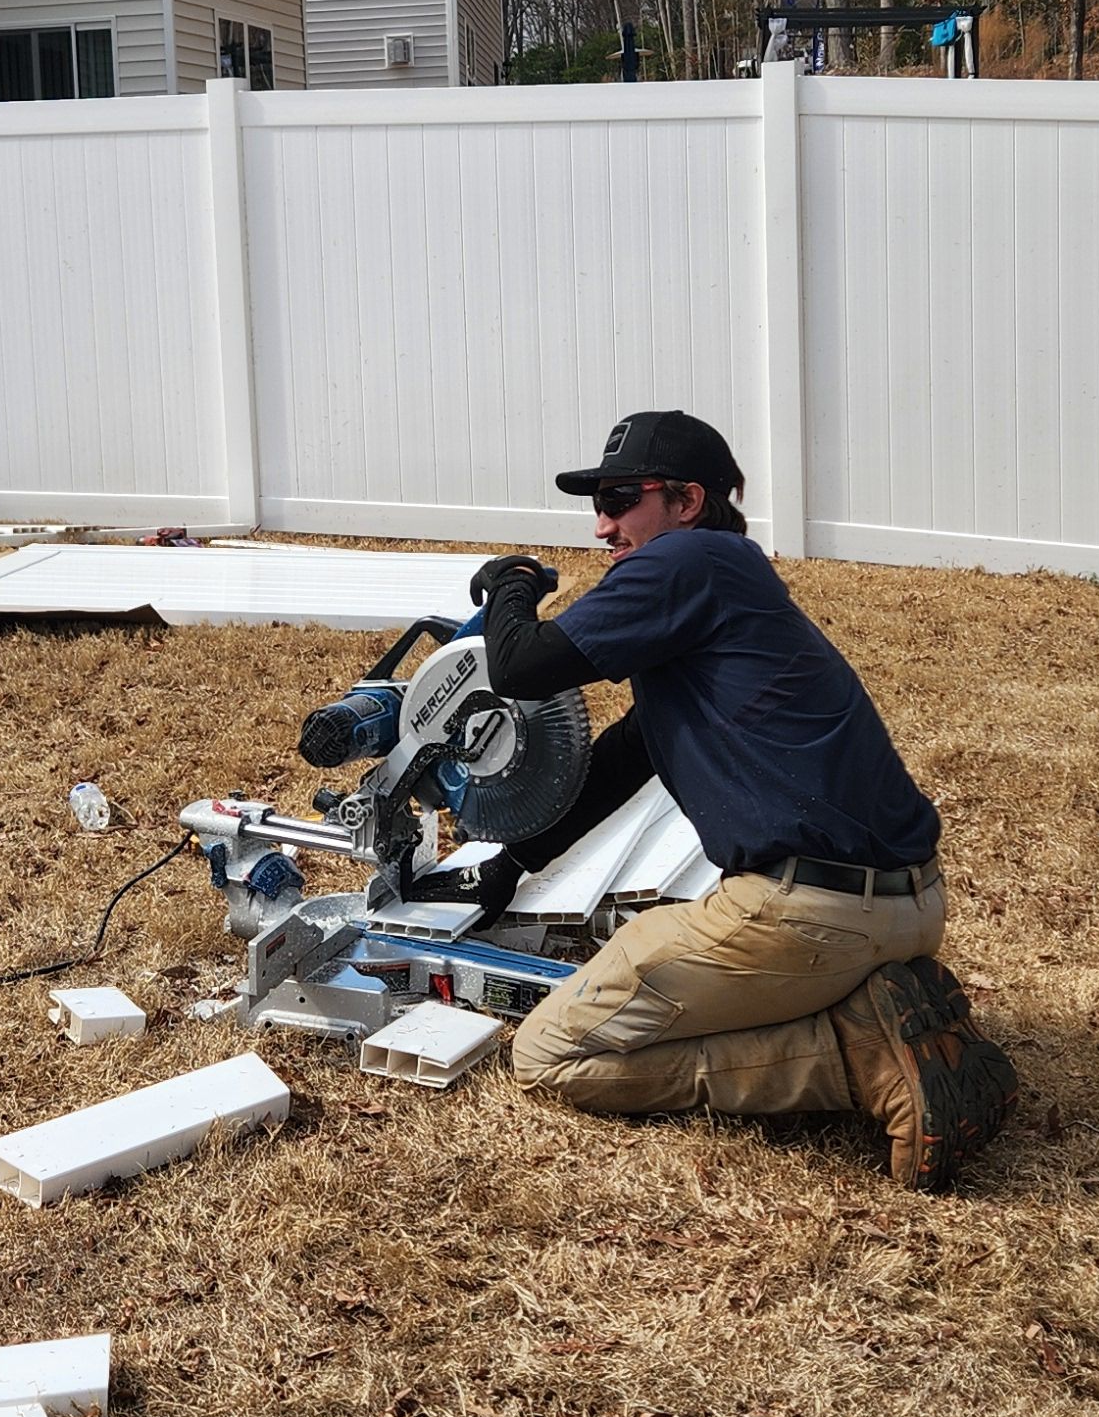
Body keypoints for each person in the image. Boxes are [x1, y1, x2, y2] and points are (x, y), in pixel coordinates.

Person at [405, 410, 1018, 1189]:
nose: (602, 525)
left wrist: (512, 589)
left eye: (622, 497)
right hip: (908, 905)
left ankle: (855, 1058)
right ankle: (876, 1004)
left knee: (551, 1053)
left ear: (688, 501)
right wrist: (511, 865)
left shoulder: (686, 561)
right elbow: (625, 759)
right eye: (598, 503)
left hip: (807, 918)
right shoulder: (726, 582)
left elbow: (524, 668)